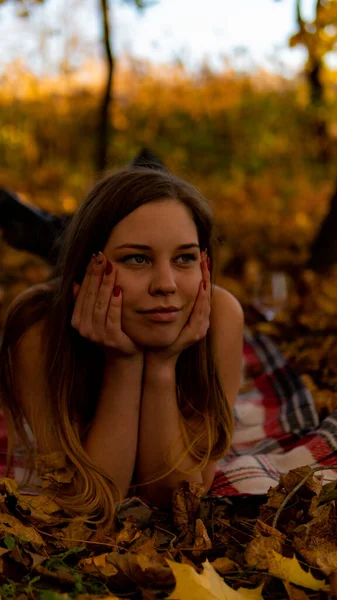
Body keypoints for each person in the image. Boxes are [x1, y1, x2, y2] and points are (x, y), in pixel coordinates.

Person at [0, 166, 244, 534]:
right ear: (91, 266)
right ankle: (52, 233)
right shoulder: (37, 328)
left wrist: (162, 366)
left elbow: (180, 495)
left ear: (205, 263)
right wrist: (124, 363)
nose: (166, 285)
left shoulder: (221, 315)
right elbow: (95, 501)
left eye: (185, 258)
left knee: (147, 165)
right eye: (137, 259)